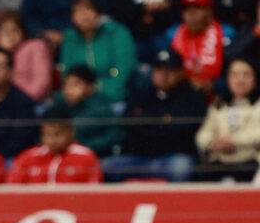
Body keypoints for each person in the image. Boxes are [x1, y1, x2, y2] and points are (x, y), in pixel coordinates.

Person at [104, 49, 206, 181]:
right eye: (158, 70)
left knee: (182, 168)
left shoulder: (192, 96)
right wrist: (164, 120)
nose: (163, 75)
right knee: (104, 167)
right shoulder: (142, 92)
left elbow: (184, 129)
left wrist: (147, 120)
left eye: (169, 70)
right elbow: (128, 122)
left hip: (172, 157)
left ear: (181, 72)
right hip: (139, 158)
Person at [60, 0, 138, 102]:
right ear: (72, 18)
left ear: (98, 13)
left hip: (115, 93)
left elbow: (124, 67)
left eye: (88, 9)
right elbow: (67, 71)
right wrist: (77, 88)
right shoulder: (70, 39)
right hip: (80, 96)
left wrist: (96, 88)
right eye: (78, 11)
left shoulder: (116, 32)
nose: (84, 15)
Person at [195, 57, 260, 181]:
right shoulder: (219, 105)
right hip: (221, 162)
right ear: (228, 79)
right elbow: (202, 135)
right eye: (235, 75)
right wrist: (214, 142)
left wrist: (234, 141)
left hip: (252, 163)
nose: (240, 80)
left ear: (255, 78)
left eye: (246, 74)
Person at [8, 106, 102, 183]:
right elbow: (13, 190)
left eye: (58, 134)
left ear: (71, 132)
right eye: (47, 134)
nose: (52, 140)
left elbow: (93, 192)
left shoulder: (86, 157)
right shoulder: (27, 158)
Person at [169, 0, 234, 95]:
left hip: (221, 94)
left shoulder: (226, 33)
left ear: (210, 11)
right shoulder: (172, 35)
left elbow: (236, 70)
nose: (191, 14)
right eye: (186, 9)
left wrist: (215, 84)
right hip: (183, 94)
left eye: (197, 8)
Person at [53, 65, 125, 158]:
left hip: (98, 158)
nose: (69, 90)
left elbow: (114, 135)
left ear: (90, 86)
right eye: (66, 85)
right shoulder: (61, 106)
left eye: (76, 84)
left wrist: (84, 148)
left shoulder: (102, 108)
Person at [0, 11, 53, 102]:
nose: (9, 35)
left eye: (14, 30)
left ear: (22, 31)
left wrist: (24, 102)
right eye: (5, 30)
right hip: (4, 103)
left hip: (33, 102)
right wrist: (4, 51)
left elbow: (42, 82)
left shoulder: (36, 46)